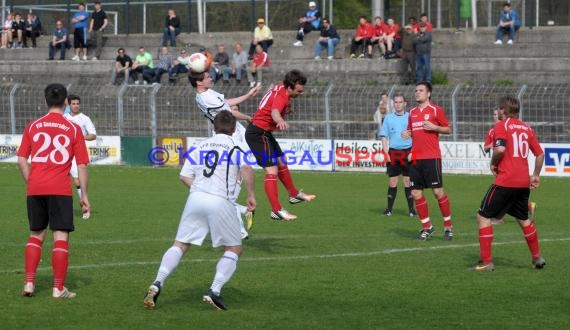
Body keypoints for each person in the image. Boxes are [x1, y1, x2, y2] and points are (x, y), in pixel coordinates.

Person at [143, 111, 256, 311]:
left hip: (195, 197)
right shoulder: (236, 145)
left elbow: (184, 176)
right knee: (234, 248)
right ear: (233, 129)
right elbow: (246, 169)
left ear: (214, 127)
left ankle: (157, 282)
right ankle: (215, 290)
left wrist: (200, 189)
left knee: (180, 244)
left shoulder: (200, 145)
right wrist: (250, 194)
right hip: (221, 200)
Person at [17, 83, 90, 299]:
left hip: (35, 188)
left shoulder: (33, 125)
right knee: (60, 237)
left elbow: (21, 159)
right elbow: (83, 165)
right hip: (60, 188)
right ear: (66, 102)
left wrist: (32, 181)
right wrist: (84, 195)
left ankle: (29, 283)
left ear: (45, 100)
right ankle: (58, 288)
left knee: (36, 234)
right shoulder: (73, 128)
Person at [472, 96, 545, 272]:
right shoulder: (527, 128)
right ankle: (537, 258)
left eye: (499, 108)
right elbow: (540, 154)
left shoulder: (501, 125)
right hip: (522, 182)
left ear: (503, 110)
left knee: (483, 216)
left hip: (506, 180)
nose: (498, 111)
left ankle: (487, 262)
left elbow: (500, 149)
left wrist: (493, 163)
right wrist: (535, 175)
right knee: (523, 219)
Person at [189, 71, 262, 239]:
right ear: (199, 83)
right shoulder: (206, 98)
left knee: (231, 185)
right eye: (207, 77)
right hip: (230, 138)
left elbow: (226, 103)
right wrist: (247, 117)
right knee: (231, 185)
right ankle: (242, 221)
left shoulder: (207, 93)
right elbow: (230, 113)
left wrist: (248, 95)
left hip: (235, 136)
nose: (211, 78)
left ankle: (242, 215)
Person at [245, 69, 316, 221]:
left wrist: (285, 112)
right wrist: (280, 120)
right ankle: (276, 210)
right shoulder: (282, 97)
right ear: (290, 87)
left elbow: (274, 106)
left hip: (263, 132)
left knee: (281, 161)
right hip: (258, 134)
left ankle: (293, 194)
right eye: (299, 90)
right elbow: (274, 111)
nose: (301, 93)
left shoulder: (282, 88)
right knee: (271, 171)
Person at [401, 82, 454, 241]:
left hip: (432, 157)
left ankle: (448, 226)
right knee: (416, 193)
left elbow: (448, 129)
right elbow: (413, 132)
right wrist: (408, 134)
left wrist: (434, 127)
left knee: (437, 192)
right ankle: (427, 227)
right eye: (416, 90)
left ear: (428, 94)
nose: (417, 93)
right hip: (416, 157)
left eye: (421, 90)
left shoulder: (436, 110)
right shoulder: (412, 112)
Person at [483, 106, 537, 226]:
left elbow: (501, 149)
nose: (495, 116)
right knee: (510, 196)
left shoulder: (504, 127)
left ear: (503, 113)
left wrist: (493, 161)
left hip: (505, 168)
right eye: (494, 114)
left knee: (503, 194)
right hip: (505, 168)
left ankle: (498, 217)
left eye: (497, 114)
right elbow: (486, 147)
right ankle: (528, 206)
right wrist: (494, 144)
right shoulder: (493, 130)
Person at [379, 93, 416, 217]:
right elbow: (384, 136)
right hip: (393, 152)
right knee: (393, 181)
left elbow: (417, 136)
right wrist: (385, 153)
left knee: (407, 181)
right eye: (396, 102)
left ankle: (411, 210)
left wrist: (413, 152)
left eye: (400, 102)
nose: (398, 104)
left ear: (405, 103)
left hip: (408, 152)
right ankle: (389, 209)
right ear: (393, 104)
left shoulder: (411, 117)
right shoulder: (388, 118)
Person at [64, 94, 96, 219]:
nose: (76, 106)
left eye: (78, 103)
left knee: (78, 181)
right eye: (73, 103)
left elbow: (93, 135)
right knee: (62, 180)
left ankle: (85, 205)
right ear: (69, 105)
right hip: (64, 153)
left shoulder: (85, 118)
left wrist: (80, 137)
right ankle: (65, 207)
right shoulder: (63, 118)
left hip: (77, 153)